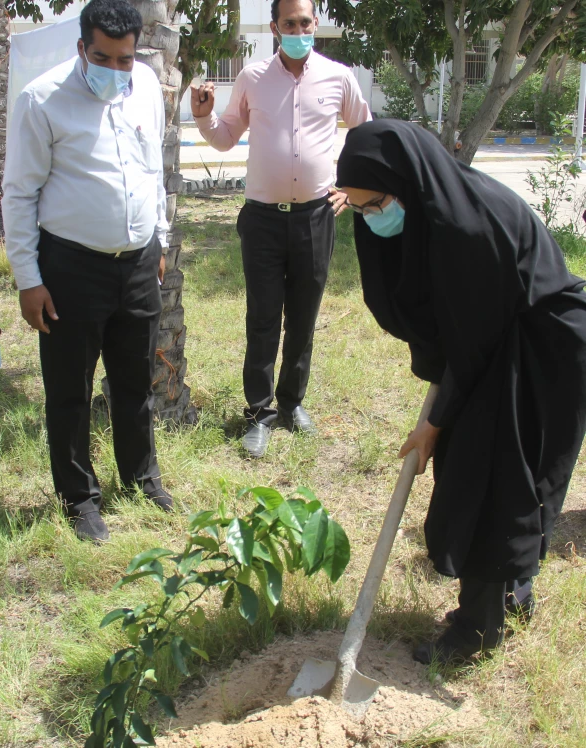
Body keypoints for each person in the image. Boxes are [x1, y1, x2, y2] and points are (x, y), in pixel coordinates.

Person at [335, 119, 586, 665]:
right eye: (357, 209)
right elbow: (438, 320)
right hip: (493, 344)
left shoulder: (465, 227)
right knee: (495, 475)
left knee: (489, 479)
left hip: (537, 348)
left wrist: (434, 423)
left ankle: (476, 629)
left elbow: (474, 340)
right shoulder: (422, 212)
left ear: (407, 184)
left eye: (375, 204)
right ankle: (512, 595)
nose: (370, 219)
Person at [2, 0, 174, 543]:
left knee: (134, 379)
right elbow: (19, 192)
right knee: (70, 387)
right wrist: (29, 278)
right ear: (82, 47)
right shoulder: (42, 100)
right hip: (71, 266)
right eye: (104, 58)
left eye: (125, 59)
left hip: (140, 261)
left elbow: (152, 171)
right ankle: (79, 498)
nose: (117, 71)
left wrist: (161, 237)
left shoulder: (145, 85)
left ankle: (141, 476)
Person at [191, 0, 371, 457]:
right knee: (263, 318)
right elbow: (226, 135)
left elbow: (367, 135)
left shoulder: (337, 76)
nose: (298, 29)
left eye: (305, 22)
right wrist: (203, 115)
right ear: (274, 27)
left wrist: (351, 190)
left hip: (316, 216)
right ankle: (260, 412)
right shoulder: (253, 78)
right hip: (263, 220)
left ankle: (292, 404)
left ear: (316, 24)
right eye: (289, 23)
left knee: (304, 317)